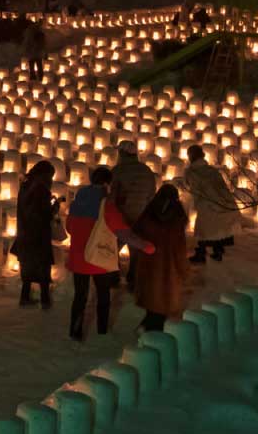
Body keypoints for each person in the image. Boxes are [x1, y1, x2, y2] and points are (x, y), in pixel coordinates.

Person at [64, 166, 153, 341]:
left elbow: (69, 228)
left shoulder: (77, 202)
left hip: (78, 258)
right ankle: (102, 330)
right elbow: (123, 233)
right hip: (99, 259)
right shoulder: (107, 207)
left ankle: (75, 331)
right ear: (107, 184)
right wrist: (146, 246)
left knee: (80, 296)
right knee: (103, 294)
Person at [133, 184, 190, 331]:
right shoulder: (177, 218)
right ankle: (151, 336)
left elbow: (137, 232)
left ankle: (146, 326)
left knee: (151, 299)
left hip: (149, 263)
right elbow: (179, 248)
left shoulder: (149, 211)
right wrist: (183, 269)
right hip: (168, 269)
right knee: (162, 303)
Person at [110, 140, 157, 290]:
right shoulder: (146, 171)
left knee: (114, 247)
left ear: (122, 154)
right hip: (140, 216)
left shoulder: (117, 171)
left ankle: (114, 276)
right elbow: (151, 195)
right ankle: (133, 277)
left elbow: (112, 196)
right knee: (136, 248)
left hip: (121, 217)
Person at [10, 160, 57, 308]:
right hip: (38, 234)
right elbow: (44, 214)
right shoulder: (41, 189)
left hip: (25, 232)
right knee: (42, 266)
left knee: (27, 266)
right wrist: (55, 207)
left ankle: (25, 297)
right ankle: (45, 299)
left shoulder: (25, 186)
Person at [185, 145, 240, 264]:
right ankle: (218, 250)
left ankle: (201, 254)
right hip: (225, 203)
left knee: (204, 229)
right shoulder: (213, 171)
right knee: (219, 228)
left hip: (208, 204)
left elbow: (192, 188)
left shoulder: (192, 173)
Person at [22, 17, 47, 83]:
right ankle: (39, 77)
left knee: (34, 65)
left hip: (33, 52)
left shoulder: (29, 32)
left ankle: (35, 77)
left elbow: (27, 42)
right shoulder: (38, 30)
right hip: (36, 52)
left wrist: (27, 49)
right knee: (37, 65)